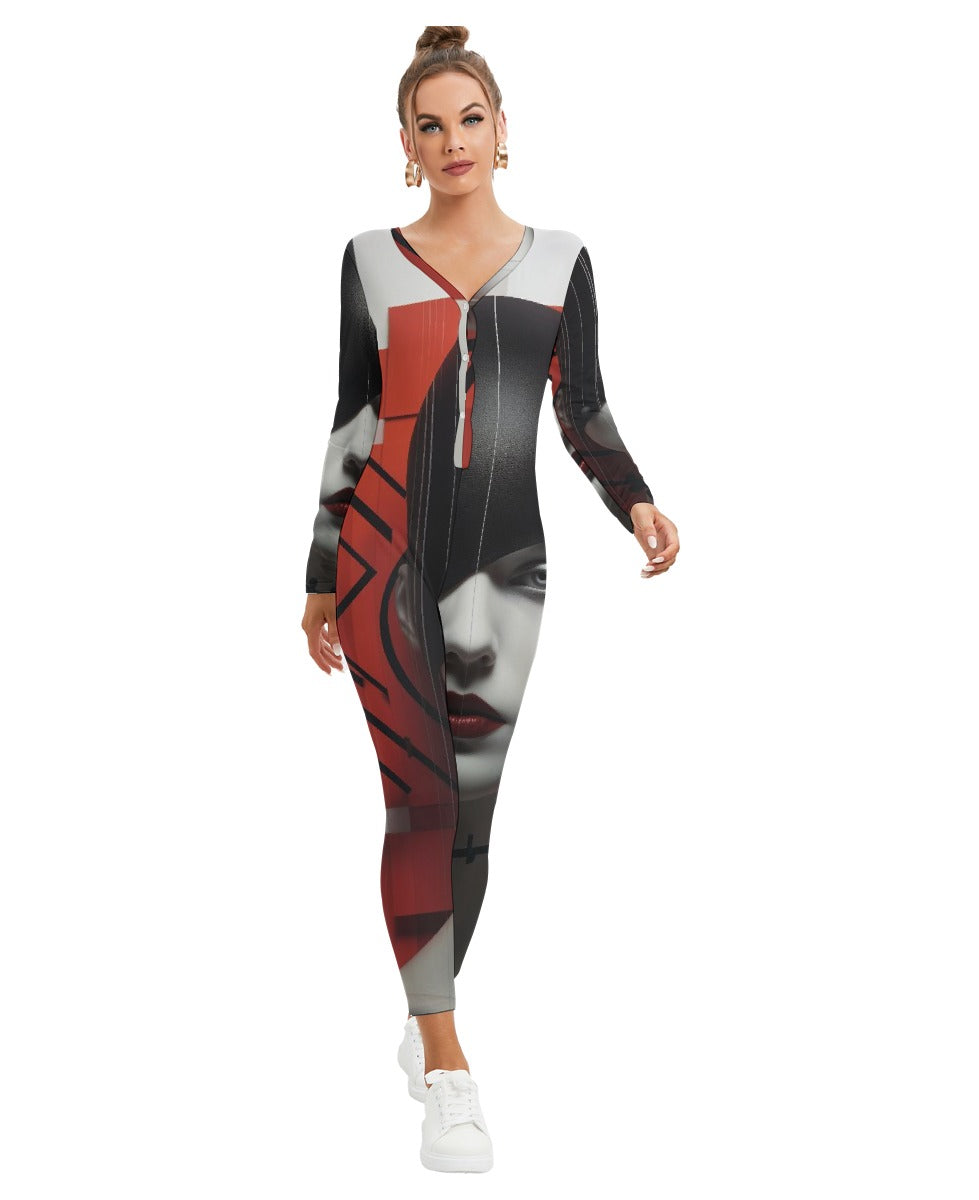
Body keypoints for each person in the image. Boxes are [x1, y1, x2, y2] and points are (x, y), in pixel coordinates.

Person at [300, 25, 680, 1173]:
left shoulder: (561, 262)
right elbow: (353, 422)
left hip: (508, 571)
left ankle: (425, 1009)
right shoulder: (370, 259)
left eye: (472, 119)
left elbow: (582, 412)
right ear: (406, 144)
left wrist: (638, 502)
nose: (454, 140)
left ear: (503, 130)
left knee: (471, 818)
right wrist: (319, 573)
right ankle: (449, 1065)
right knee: (418, 801)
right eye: (432, 125)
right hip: (382, 560)